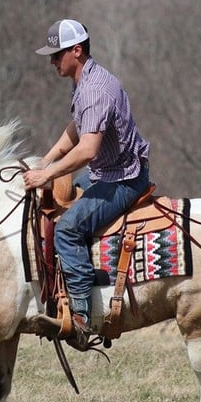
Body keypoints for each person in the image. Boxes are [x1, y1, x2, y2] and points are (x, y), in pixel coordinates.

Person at [23, 19, 151, 347]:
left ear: (76, 51)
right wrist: (46, 161)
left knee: (67, 229)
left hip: (124, 179)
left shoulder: (94, 89)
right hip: (105, 172)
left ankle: (82, 318)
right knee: (58, 200)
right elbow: (76, 128)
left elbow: (87, 149)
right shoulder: (84, 81)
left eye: (57, 54)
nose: (52, 61)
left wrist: (46, 175)